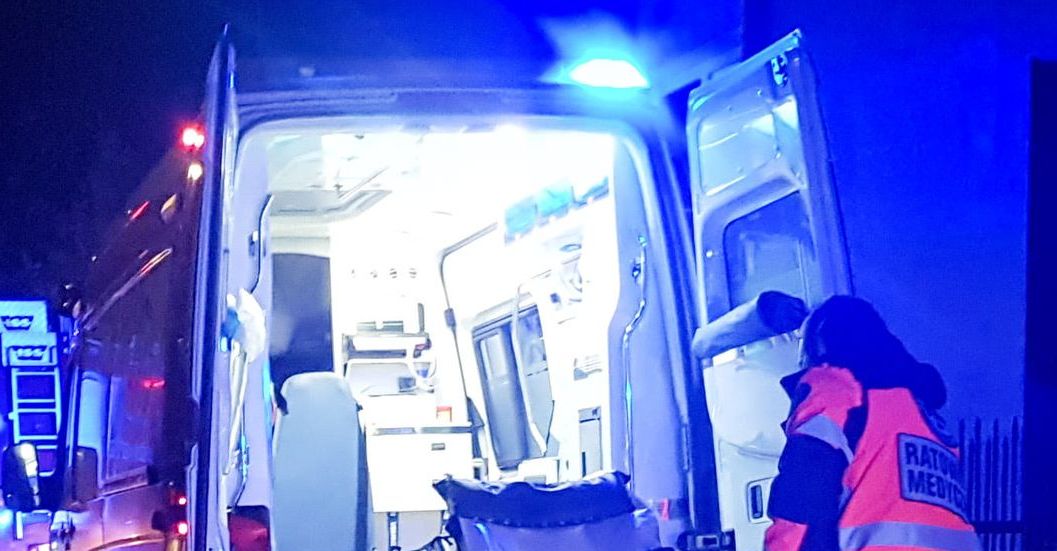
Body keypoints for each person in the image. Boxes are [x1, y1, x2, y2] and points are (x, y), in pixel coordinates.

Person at [764, 296, 979, 550]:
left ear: (821, 341)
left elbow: (802, 503)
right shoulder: (926, 418)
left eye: (804, 343)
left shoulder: (837, 391)